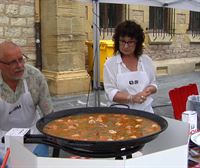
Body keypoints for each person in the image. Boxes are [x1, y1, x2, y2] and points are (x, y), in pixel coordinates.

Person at [0, 41, 54, 162]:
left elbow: (49, 114)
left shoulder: (35, 77)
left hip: (33, 137)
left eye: (21, 59)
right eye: (13, 62)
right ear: (1, 65)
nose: (19, 65)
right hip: (2, 141)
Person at [103, 20, 157, 113]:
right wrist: (131, 98)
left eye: (130, 42)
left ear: (137, 43)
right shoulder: (110, 64)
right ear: (117, 41)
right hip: (121, 114)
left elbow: (153, 83)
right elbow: (110, 92)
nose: (126, 46)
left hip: (146, 112)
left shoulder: (146, 61)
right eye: (123, 41)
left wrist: (149, 90)